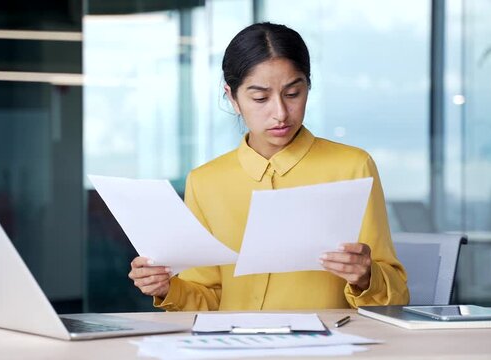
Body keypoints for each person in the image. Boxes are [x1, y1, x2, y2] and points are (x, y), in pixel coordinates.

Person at [128, 22, 409, 311]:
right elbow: (208, 299)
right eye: (260, 98)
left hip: (325, 347)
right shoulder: (205, 181)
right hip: (234, 347)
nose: (280, 113)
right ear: (232, 97)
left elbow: (397, 295)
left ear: (308, 87)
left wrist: (366, 277)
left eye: (292, 94)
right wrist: (167, 288)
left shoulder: (353, 167)